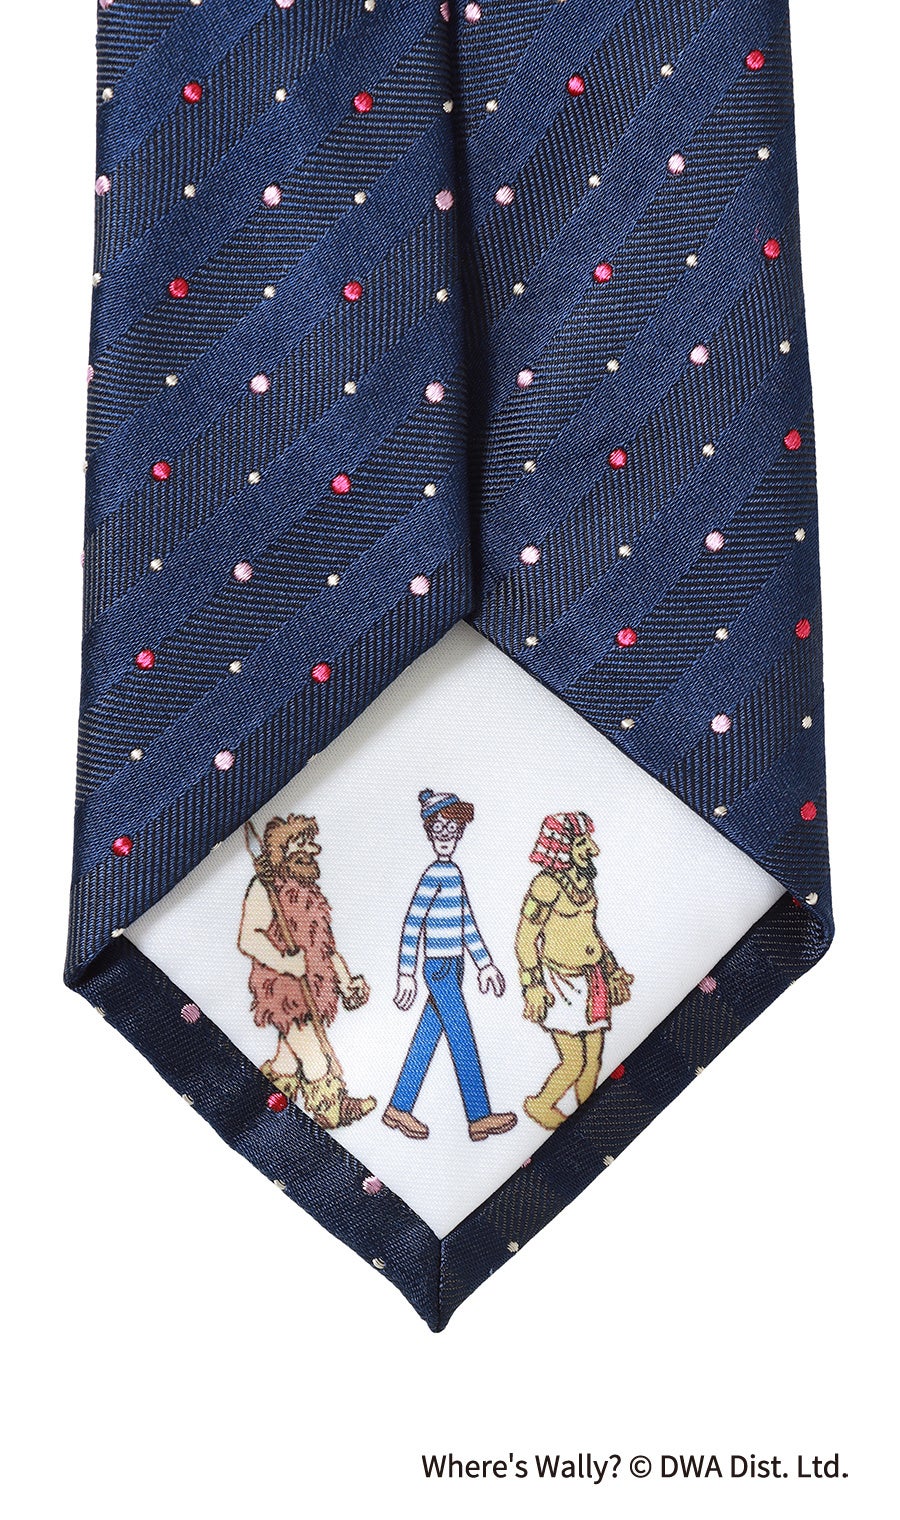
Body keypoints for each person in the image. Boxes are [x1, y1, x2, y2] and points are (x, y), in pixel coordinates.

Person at [383, 790, 517, 1142]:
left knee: (427, 1036)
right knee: (461, 1034)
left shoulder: (453, 873)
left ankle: (398, 1107)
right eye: (438, 828)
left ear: (459, 832)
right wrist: (406, 973)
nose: (445, 835)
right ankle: (479, 1116)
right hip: (438, 968)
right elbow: (412, 923)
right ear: (429, 832)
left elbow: (466, 922)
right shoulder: (434, 875)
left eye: (452, 828)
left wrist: (484, 965)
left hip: (455, 966)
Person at [238, 813, 375, 1129]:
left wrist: (346, 981)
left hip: (314, 985)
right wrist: (285, 962)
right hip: (284, 990)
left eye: (310, 842)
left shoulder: (310, 893)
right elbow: (248, 937)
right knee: (313, 1051)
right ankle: (333, 1108)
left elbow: (325, 948)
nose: (311, 849)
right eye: (301, 842)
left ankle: (264, 1106)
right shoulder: (266, 887)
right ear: (281, 849)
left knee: (288, 1059)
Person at [515, 811, 633, 1130]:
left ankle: (587, 1120)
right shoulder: (545, 886)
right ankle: (540, 1105)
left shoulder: (583, 880)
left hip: (593, 979)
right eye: (582, 843)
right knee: (573, 1061)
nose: (593, 849)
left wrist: (611, 969)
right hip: (559, 983)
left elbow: (590, 931)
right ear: (562, 848)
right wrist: (533, 986)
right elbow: (525, 938)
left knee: (593, 1060)